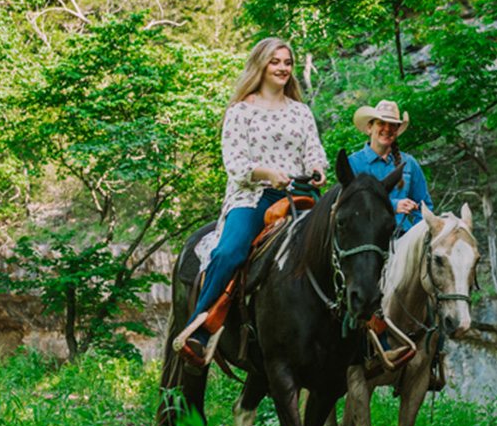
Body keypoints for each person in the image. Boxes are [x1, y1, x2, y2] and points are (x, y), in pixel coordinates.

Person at [180, 37, 327, 367]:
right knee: (230, 251)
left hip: (300, 196)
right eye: (276, 61)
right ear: (261, 64)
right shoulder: (241, 111)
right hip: (253, 196)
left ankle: (364, 332)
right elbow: (235, 164)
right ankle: (201, 328)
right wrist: (266, 173)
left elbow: (314, 151)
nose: (283, 68)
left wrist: (317, 169)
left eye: (287, 62)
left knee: (341, 240)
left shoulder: (301, 112)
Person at [348, 99, 433, 236]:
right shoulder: (354, 163)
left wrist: (420, 236)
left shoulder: (409, 163)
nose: (387, 129)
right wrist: (393, 206)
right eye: (381, 123)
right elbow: (352, 204)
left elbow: (425, 207)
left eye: (393, 125)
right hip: (368, 240)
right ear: (370, 128)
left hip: (404, 238)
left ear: (397, 130)